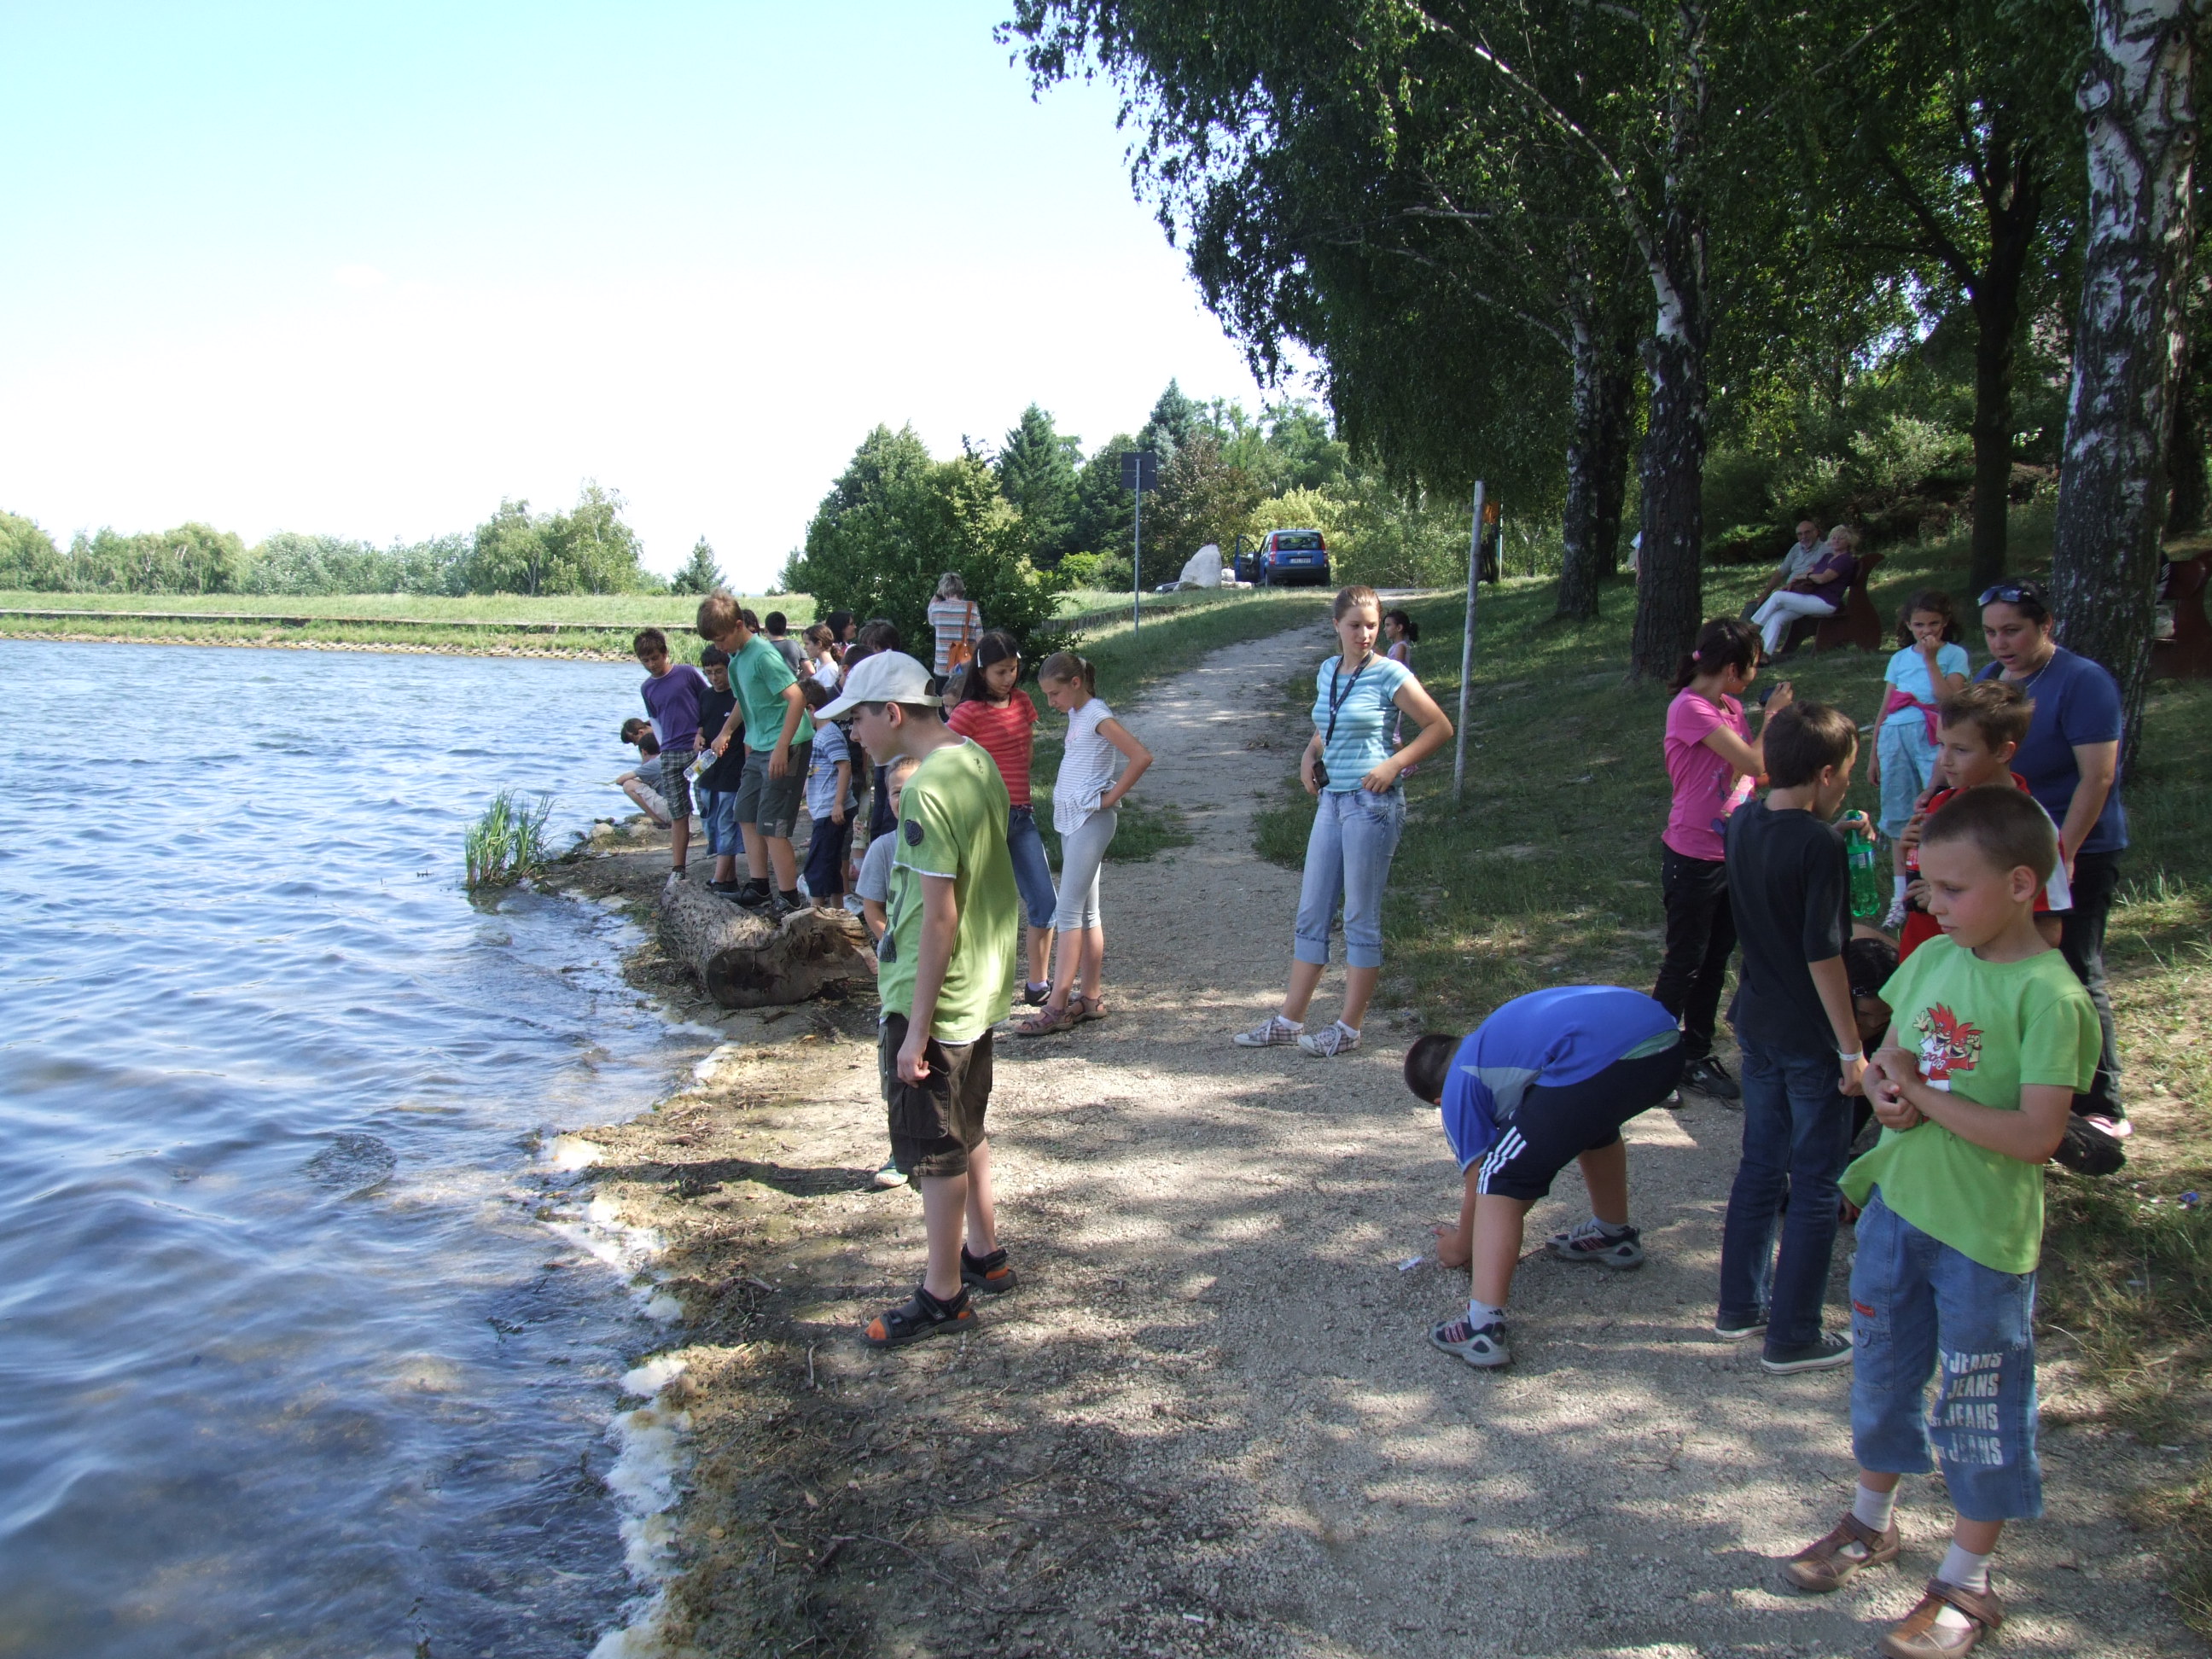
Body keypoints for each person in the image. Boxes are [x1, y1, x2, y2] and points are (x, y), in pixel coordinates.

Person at [1782, 787, 2098, 1659]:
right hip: (1900, 1211)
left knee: (1980, 1402)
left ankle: (1967, 1578)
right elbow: (1894, 1053)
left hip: (1983, 1239)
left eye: (1954, 889)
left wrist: (1921, 1096)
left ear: (2023, 885)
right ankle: (1870, 1521)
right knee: (1883, 1374)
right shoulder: (1933, 958)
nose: (1933, 903)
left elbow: (2036, 1136)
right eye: (1928, 885)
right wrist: (1888, 1091)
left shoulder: (2051, 997)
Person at [817, 650, 1021, 1348]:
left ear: (893, 713)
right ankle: (984, 1253)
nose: (853, 733)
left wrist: (914, 1032)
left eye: (857, 718)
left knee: (934, 1150)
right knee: (968, 1126)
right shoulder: (974, 758)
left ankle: (943, 1294)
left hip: (935, 995)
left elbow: (939, 916)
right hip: (978, 985)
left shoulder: (927, 788)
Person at [1408, 987, 1687, 1370]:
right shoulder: (1494, 1043)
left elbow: (1484, 1183)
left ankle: (1481, 1328)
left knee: (1500, 1173)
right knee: (1588, 1123)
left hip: (1607, 1058)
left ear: (1438, 1102)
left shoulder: (1458, 1085)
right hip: (1665, 1042)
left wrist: (1459, 1247)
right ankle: (1612, 1233)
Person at [1234, 585, 1454, 1057]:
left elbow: (1439, 726)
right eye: (1355, 625)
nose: (1364, 634)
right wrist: (1308, 755)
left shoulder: (1390, 673)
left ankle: (1349, 1027)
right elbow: (1327, 724)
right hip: (1332, 802)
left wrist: (1394, 765)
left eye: (1372, 625)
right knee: (1312, 911)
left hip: (1371, 806)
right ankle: (1289, 1020)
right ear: (1336, 625)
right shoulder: (1328, 670)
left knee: (1359, 917)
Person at [1716, 701, 1867, 1373]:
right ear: (1827, 774)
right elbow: (1824, 953)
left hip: (1756, 1022)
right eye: (1847, 773)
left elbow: (1777, 840)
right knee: (1814, 1182)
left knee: (1759, 1164)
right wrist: (1851, 1049)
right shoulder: (1819, 846)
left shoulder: (1743, 821)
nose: (1847, 785)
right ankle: (1794, 1333)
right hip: (1810, 1036)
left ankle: (1739, 1305)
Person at [1974, 579, 2129, 1135]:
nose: (2001, 643)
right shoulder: (1992, 679)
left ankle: (2102, 1103)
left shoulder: (2083, 681)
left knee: (2075, 967)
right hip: (2010, 849)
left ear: (2046, 625)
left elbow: (2098, 776)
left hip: (2076, 846)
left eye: (2013, 630)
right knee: (2015, 967)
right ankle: (2031, 1086)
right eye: (1991, 632)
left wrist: (2065, 852)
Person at [1652, 617, 1793, 1101]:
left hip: (1733, 850)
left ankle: (1693, 1054)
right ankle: (1653, 1062)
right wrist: (1774, 717)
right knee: (1684, 963)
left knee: (1714, 961)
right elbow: (1753, 760)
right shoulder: (1689, 707)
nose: (1755, 675)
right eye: (1752, 665)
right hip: (1693, 853)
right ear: (1733, 668)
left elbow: (1752, 772)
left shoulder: (1729, 707)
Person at [1013, 651, 1153, 1035]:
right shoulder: (1078, 714)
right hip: (1076, 819)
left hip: (1091, 820)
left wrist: (1109, 798)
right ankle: (1090, 997)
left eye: (1055, 694)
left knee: (1069, 911)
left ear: (1076, 684)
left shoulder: (1096, 715)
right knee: (1088, 912)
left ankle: (1056, 1006)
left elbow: (1140, 756)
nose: (1050, 702)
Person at [1895, 684, 2068, 963]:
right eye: (1941, 744)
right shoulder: (1939, 806)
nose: (1945, 760)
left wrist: (1944, 897)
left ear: (2003, 752)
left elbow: (2049, 931)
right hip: (1921, 966)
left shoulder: (2031, 826)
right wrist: (1911, 857)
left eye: (1961, 749)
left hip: (1975, 977)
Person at [947, 631, 1057, 1005]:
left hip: (1021, 815)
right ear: (981, 671)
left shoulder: (1023, 701)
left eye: (1013, 669)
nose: (1009, 677)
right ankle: (974, 984)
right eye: (1000, 671)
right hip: (984, 820)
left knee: (1045, 900)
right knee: (984, 907)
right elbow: (943, 759)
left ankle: (1038, 985)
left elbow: (1027, 750)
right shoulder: (968, 713)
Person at [696, 595, 816, 918]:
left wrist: (781, 747)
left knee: (772, 824)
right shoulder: (737, 660)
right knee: (745, 813)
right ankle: (759, 886)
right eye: (714, 642)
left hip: (787, 745)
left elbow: (796, 698)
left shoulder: (762, 655)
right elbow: (744, 700)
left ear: (739, 626)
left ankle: (789, 898)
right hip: (760, 744)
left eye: (721, 639)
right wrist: (726, 731)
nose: (719, 646)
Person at [1871, 591, 1972, 927]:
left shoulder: (1954, 655)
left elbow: (1950, 701)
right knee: (1899, 813)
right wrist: (1874, 754)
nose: (1926, 631)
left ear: (1945, 623)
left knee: (1939, 804)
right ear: (1908, 625)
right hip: (1895, 736)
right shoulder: (1899, 659)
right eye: (1918, 625)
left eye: (1933, 624)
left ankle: (1943, 884)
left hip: (1933, 734)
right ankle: (1900, 897)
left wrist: (1931, 661)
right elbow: (1885, 707)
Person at [633, 628, 707, 894]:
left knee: (706, 801)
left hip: (697, 747)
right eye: (645, 660)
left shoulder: (686, 673)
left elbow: (707, 700)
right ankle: (678, 867)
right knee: (678, 811)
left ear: (665, 653)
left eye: (655, 658)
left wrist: (703, 733)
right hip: (670, 752)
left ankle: (719, 853)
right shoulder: (647, 688)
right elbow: (655, 720)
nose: (651, 664)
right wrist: (663, 746)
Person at [1751, 525, 1860, 657]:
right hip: (1810, 600)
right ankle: (1763, 655)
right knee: (1777, 617)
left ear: (1849, 541)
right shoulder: (1827, 557)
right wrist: (1792, 584)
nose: (1836, 541)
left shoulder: (1845, 560)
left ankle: (1755, 626)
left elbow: (1823, 579)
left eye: (1841, 538)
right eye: (1834, 537)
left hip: (1825, 603)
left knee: (1777, 596)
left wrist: (1807, 576)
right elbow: (1808, 572)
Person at [694, 646, 748, 895]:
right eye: (709, 673)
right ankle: (729, 877)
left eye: (718, 672)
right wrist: (698, 737)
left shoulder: (738, 697)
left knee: (726, 823)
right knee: (711, 823)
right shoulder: (705, 696)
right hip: (708, 770)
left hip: (732, 770)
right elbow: (702, 724)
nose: (714, 678)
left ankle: (719, 879)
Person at [799, 678, 856, 908]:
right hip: (823, 808)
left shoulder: (828, 734)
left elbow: (844, 766)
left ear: (810, 709)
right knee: (830, 864)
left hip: (830, 810)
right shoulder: (819, 735)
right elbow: (816, 772)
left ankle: (815, 913)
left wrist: (838, 803)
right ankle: (838, 910)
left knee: (817, 865)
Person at [1752, 520, 1828, 606]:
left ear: (1816, 532)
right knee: (1752, 607)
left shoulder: (1825, 550)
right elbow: (1781, 572)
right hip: (1789, 591)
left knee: (1774, 600)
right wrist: (1764, 594)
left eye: (1807, 532)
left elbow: (1819, 577)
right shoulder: (1797, 547)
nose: (1803, 537)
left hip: (1806, 594)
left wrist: (1793, 584)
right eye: (1800, 534)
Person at [926, 572, 982, 688]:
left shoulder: (936, 609)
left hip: (942, 670)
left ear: (943, 590)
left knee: (943, 699)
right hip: (965, 668)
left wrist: (938, 593)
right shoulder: (972, 608)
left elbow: (930, 607)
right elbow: (980, 639)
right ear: (961, 589)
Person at [616, 719, 672, 827]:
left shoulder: (654, 763)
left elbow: (620, 781)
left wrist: (644, 762)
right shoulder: (666, 755)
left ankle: (658, 821)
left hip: (671, 810)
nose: (635, 745)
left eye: (634, 741)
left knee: (628, 785)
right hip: (681, 808)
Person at [1383, 608, 1418, 755]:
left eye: (1388, 625)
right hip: (1392, 691)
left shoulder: (1401, 647)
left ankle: (1407, 764)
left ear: (1399, 628)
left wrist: (1380, 657)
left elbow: (1397, 667)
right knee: (1392, 731)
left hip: (1398, 691)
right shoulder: (1396, 646)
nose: (1385, 629)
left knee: (1394, 733)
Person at [763, 610, 807, 677]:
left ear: (766, 629)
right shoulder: (794, 645)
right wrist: (796, 681)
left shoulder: (762, 649)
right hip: (792, 682)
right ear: (785, 628)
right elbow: (810, 670)